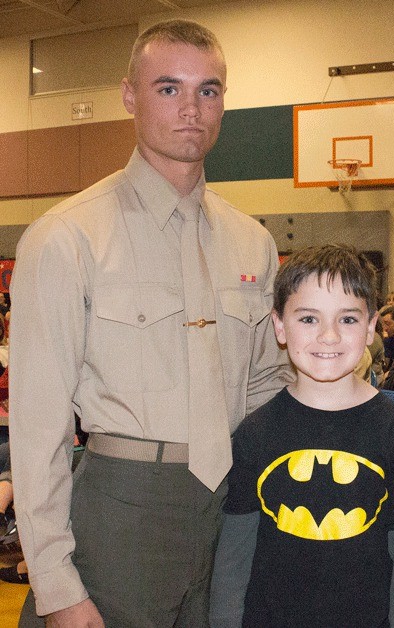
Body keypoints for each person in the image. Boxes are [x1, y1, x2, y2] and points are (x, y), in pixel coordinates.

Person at [9, 20, 292, 628]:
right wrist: (58, 586)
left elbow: (269, 387)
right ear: (130, 96)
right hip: (120, 514)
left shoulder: (254, 243)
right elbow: (38, 433)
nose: (191, 109)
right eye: (168, 88)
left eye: (208, 90)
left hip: (233, 511)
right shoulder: (67, 238)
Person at [209, 244, 394, 628]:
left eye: (348, 320)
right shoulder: (255, 433)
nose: (329, 336)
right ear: (279, 326)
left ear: (371, 326)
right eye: (308, 319)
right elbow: (232, 566)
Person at [379, 305, 394, 371]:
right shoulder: (389, 340)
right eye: (383, 324)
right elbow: (385, 366)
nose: (385, 328)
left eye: (388, 324)